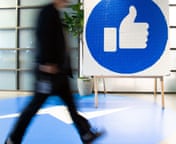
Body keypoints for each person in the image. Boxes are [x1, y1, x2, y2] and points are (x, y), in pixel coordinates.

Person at [5, 0, 103, 144]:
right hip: (48, 73)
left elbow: (60, 44)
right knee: (33, 107)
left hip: (59, 73)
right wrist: (46, 63)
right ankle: (13, 139)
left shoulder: (56, 13)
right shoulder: (47, 12)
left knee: (72, 107)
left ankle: (86, 134)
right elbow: (42, 37)